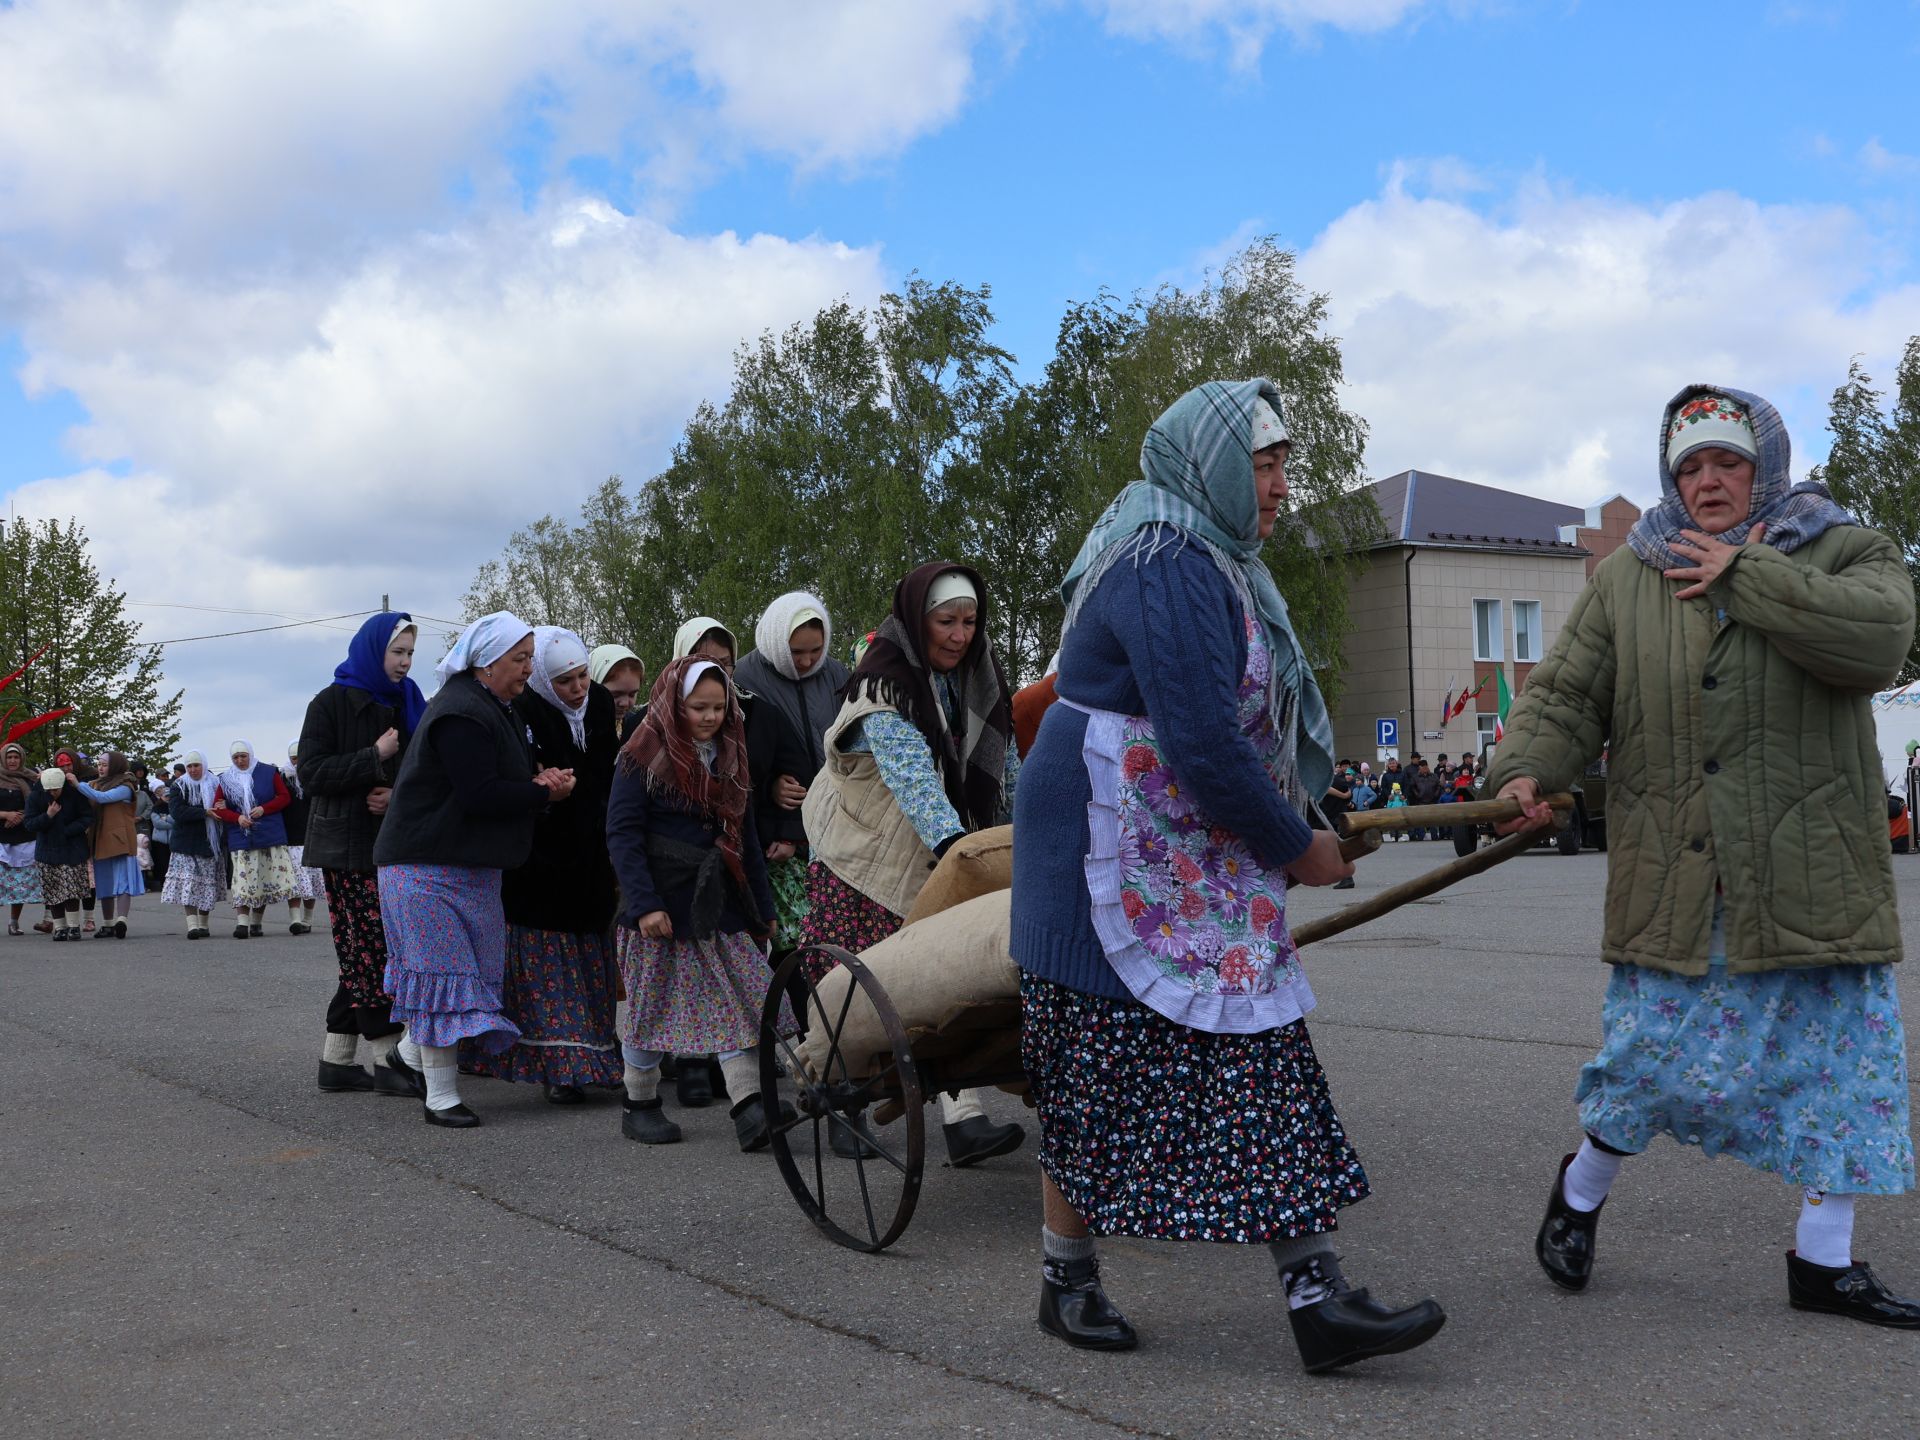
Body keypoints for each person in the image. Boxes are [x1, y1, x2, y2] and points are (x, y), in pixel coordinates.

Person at [1011, 378, 1444, 1370]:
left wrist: (1298, 821)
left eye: (1285, 463)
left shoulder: (1216, 562)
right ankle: (1066, 1281)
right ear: (1208, 469)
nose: (1284, 484)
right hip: (1106, 859)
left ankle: (1316, 1298)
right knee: (1095, 1077)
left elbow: (1227, 740)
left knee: (1258, 1054)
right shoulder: (1165, 564)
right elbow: (1204, 744)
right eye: (1264, 463)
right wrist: (1298, 847)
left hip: (1178, 851)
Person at [1491, 384, 1918, 1327]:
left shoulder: (1844, 546)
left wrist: (1743, 575)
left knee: (1843, 1070)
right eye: (1691, 465)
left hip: (1812, 866)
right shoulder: (1626, 576)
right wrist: (1524, 771)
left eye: (1728, 461)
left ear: (1765, 463)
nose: (1710, 480)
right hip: (1678, 865)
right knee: (1650, 1061)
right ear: (1669, 476)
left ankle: (1825, 1261)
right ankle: (1581, 1191)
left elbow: (1878, 643)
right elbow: (1566, 695)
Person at [798, 563, 1027, 1167]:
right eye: (946, 621)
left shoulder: (975, 679)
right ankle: (841, 1099)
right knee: (856, 988)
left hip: (931, 854)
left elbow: (1006, 767)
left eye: (970, 622)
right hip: (860, 858)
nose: (959, 635)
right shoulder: (882, 690)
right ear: (915, 620)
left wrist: (1033, 835)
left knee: (943, 979)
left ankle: (964, 1120)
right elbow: (918, 788)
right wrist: (968, 857)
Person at [373, 612, 575, 1128]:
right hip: (423, 868)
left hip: (470, 867)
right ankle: (439, 1098)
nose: (529, 668)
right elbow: (480, 793)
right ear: (486, 662)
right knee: (444, 978)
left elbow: (498, 779)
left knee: (471, 979)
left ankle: (409, 1057)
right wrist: (540, 791)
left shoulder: (497, 707)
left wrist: (538, 781)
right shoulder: (461, 711)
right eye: (520, 659)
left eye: (530, 658)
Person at [605, 656, 796, 1149]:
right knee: (650, 1012)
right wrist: (645, 904)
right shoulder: (640, 755)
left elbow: (745, 837)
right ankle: (640, 1102)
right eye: (698, 707)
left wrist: (763, 909)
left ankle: (752, 1107)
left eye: (718, 706)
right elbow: (622, 833)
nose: (710, 717)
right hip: (663, 906)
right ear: (674, 703)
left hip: (719, 903)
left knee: (736, 1003)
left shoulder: (732, 756)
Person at [463, 626, 624, 1104]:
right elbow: (514, 772)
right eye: (565, 681)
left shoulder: (597, 704)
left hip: (590, 850)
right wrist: (541, 784)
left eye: (581, 676)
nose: (576, 689)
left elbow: (605, 766)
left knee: (590, 957)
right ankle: (561, 1068)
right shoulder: (524, 710)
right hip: (540, 854)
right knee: (548, 961)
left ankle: (593, 1058)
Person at [663, 616, 809, 1108]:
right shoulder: (653, 726)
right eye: (704, 664)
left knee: (740, 968)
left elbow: (796, 771)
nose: (716, 676)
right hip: (678, 870)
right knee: (686, 970)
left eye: (724, 665)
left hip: (748, 857)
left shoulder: (754, 716)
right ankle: (690, 1066)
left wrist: (787, 827)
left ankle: (750, 1076)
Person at [299, 612, 424, 1095]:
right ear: (374, 650)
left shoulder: (410, 702)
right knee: (370, 949)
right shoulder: (329, 702)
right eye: (397, 652)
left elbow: (426, 771)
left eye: (411, 653)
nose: (405, 663)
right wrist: (374, 756)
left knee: (368, 951)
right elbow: (311, 774)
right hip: (346, 848)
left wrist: (396, 793)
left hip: (396, 844)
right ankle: (388, 1057)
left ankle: (337, 1061)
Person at [734, 590, 853, 959]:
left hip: (836, 817)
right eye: (796, 651)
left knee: (838, 924)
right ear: (775, 640)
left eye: (815, 650)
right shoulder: (745, 676)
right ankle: (789, 1013)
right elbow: (744, 758)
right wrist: (771, 787)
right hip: (780, 827)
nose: (806, 661)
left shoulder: (836, 675)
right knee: (790, 935)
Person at [212, 741, 296, 939]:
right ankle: (242, 923)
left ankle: (257, 923)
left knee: (264, 879)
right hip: (241, 837)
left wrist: (264, 808)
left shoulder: (268, 772)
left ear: (250, 754)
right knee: (243, 881)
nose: (240, 760)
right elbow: (219, 807)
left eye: (243, 756)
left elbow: (284, 797)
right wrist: (237, 818)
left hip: (269, 833)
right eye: (236, 757)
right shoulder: (225, 779)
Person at [76, 751, 143, 937]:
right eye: (99, 763)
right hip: (100, 838)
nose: (100, 767)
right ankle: (108, 924)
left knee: (123, 881)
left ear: (115, 765)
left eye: (105, 764)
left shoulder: (126, 786)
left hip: (121, 839)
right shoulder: (95, 784)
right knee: (104, 882)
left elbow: (102, 798)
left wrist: (76, 783)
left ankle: (121, 920)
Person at [160, 753, 226, 938]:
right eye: (189, 766)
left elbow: (224, 807)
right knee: (189, 885)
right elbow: (177, 812)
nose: (193, 769)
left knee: (206, 885)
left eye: (196, 765)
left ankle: (204, 925)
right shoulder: (178, 786)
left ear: (203, 765)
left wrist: (222, 806)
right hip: (185, 843)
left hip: (209, 843)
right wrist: (204, 812)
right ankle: (192, 925)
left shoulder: (216, 783)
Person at [26, 765, 92, 941]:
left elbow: (87, 817)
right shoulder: (35, 796)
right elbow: (30, 823)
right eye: (49, 790)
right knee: (53, 889)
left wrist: (68, 830)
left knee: (72, 889)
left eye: (56, 789)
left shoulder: (75, 795)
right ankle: (60, 927)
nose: (52, 793)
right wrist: (48, 815)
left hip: (72, 848)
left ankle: (73, 926)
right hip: (47, 850)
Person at [279, 741, 324, 935]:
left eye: (300, 758)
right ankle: (295, 919)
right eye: (294, 758)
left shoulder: (314, 776)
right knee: (295, 881)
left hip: (313, 836)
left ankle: (308, 919)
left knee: (311, 881)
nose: (298, 762)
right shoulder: (282, 777)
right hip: (291, 837)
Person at [0, 744, 44, 934]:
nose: (12, 761)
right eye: (9, 757)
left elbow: (39, 805)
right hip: (1, 839)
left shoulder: (32, 779)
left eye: (16, 757)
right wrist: (6, 815)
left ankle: (13, 922)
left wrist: (22, 815)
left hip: (24, 837)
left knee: (18, 883)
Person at [590, 644, 647, 739]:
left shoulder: (637, 729)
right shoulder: (572, 731)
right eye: (615, 695)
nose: (624, 703)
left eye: (632, 694)